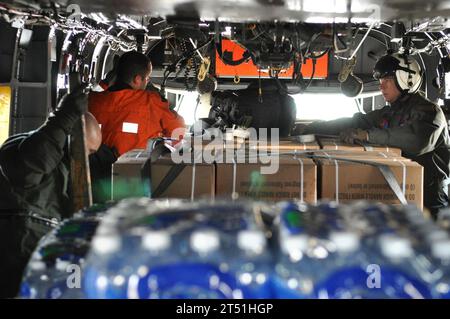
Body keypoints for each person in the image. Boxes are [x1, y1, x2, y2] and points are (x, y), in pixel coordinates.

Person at [300, 53, 450, 218]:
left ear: (406, 79)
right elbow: (356, 122)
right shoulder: (391, 112)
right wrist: (311, 128)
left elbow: (416, 141)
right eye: (380, 82)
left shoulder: (430, 111)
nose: (381, 86)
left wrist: (367, 136)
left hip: (430, 199)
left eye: (388, 80)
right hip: (402, 191)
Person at [0, 89, 102, 298]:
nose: (87, 158)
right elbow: (32, 164)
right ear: (69, 139)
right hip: (18, 252)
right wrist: (63, 120)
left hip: (43, 252)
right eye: (87, 150)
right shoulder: (18, 147)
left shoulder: (67, 169)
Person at [88, 51, 185, 203]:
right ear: (138, 79)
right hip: (133, 186)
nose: (147, 83)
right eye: (147, 79)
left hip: (95, 186)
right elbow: (178, 131)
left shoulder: (92, 100)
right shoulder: (150, 101)